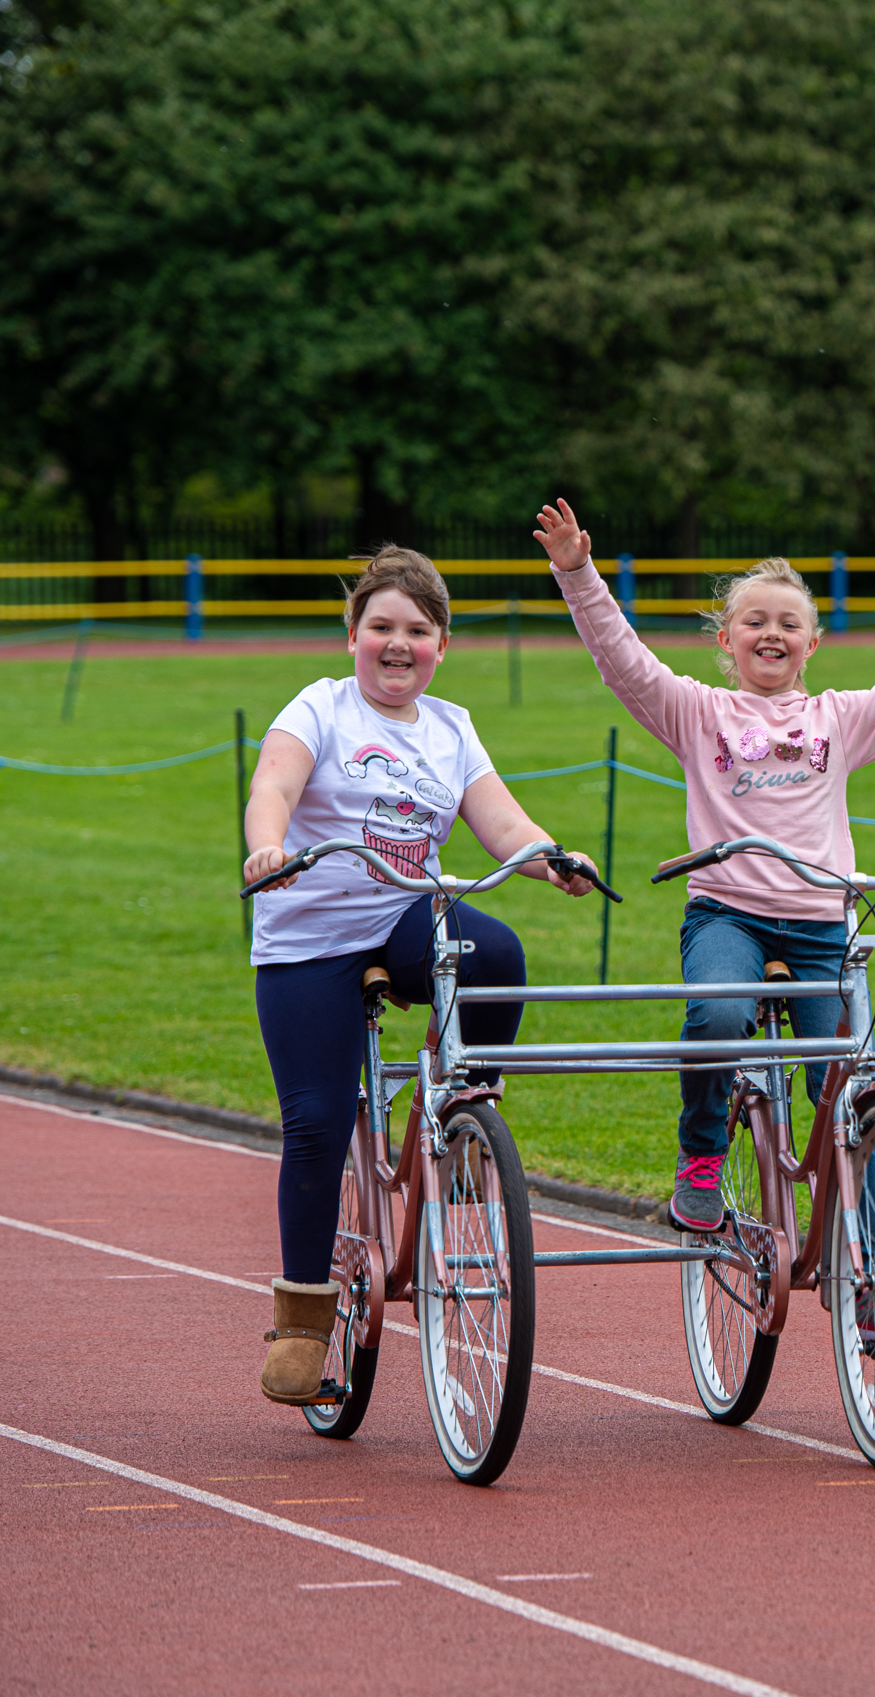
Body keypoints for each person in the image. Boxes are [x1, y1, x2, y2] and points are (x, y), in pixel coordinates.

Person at [531, 498, 875, 1347]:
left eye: (788, 623)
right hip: (728, 917)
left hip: (819, 927)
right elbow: (623, 662)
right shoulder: (697, 713)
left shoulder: (839, 720)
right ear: (724, 642)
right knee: (718, 1011)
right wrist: (577, 572)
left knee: (855, 1094)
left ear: (812, 641)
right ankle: (702, 1151)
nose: (771, 633)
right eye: (752, 621)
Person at [240, 544, 596, 1406]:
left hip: (404, 918)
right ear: (353, 634)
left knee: (498, 953)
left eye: (418, 631)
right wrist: (267, 845)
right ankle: (302, 1324)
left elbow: (499, 819)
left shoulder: (451, 725)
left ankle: (459, 1108)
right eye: (381, 628)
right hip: (311, 939)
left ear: (442, 644)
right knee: (319, 1127)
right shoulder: (319, 708)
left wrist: (549, 858)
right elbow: (274, 783)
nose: (397, 646)